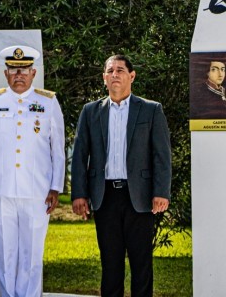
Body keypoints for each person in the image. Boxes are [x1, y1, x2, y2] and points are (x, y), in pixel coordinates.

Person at [71, 54, 172, 297]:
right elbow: (80, 154)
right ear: (104, 77)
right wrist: (79, 194)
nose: (115, 74)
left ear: (132, 76)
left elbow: (161, 155)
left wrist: (161, 191)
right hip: (105, 196)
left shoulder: (150, 110)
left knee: (141, 264)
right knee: (110, 264)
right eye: (110, 71)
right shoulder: (91, 111)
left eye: (120, 70)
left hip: (140, 196)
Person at [0, 45, 65, 297]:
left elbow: (58, 148)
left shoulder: (48, 102)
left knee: (32, 253)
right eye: (13, 70)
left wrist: (56, 186)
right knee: (5, 253)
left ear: (33, 72)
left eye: (23, 70)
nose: (18, 75)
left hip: (37, 191)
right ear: (6, 74)